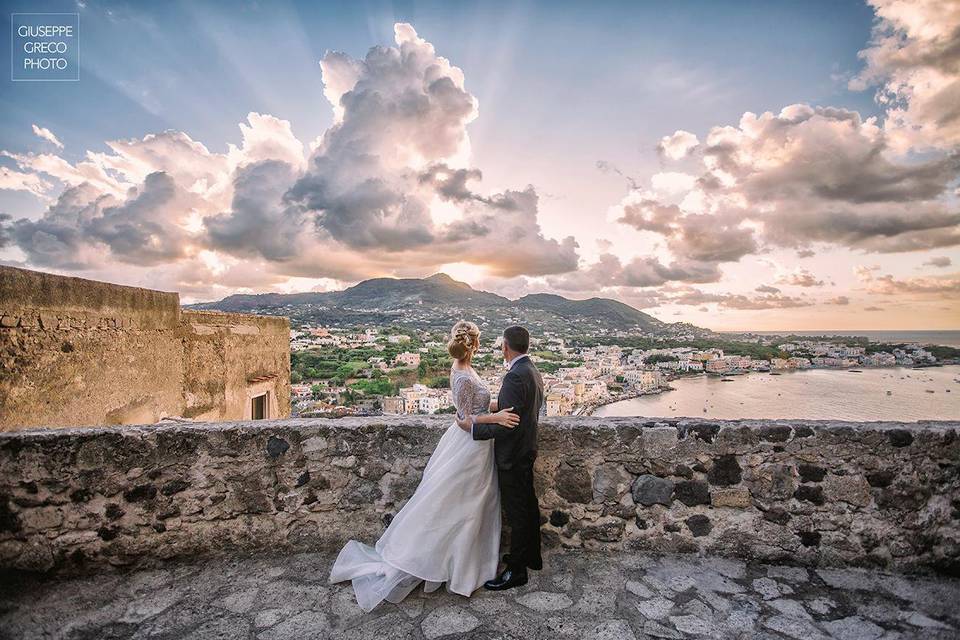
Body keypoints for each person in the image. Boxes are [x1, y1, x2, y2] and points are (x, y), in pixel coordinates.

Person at [328, 320, 519, 611]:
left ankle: (464, 567)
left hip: (476, 445)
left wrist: (497, 409)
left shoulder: (463, 368)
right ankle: (458, 569)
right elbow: (465, 420)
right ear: (474, 344)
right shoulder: (463, 376)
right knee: (465, 505)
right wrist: (496, 419)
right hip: (470, 447)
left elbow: (474, 410)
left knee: (472, 505)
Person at [457, 324, 545, 591]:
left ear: (505, 347)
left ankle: (517, 570)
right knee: (528, 505)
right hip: (527, 449)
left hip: (513, 455)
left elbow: (508, 422)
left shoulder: (514, 377)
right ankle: (532, 556)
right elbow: (514, 412)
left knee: (518, 512)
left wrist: (472, 427)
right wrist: (490, 410)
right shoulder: (532, 370)